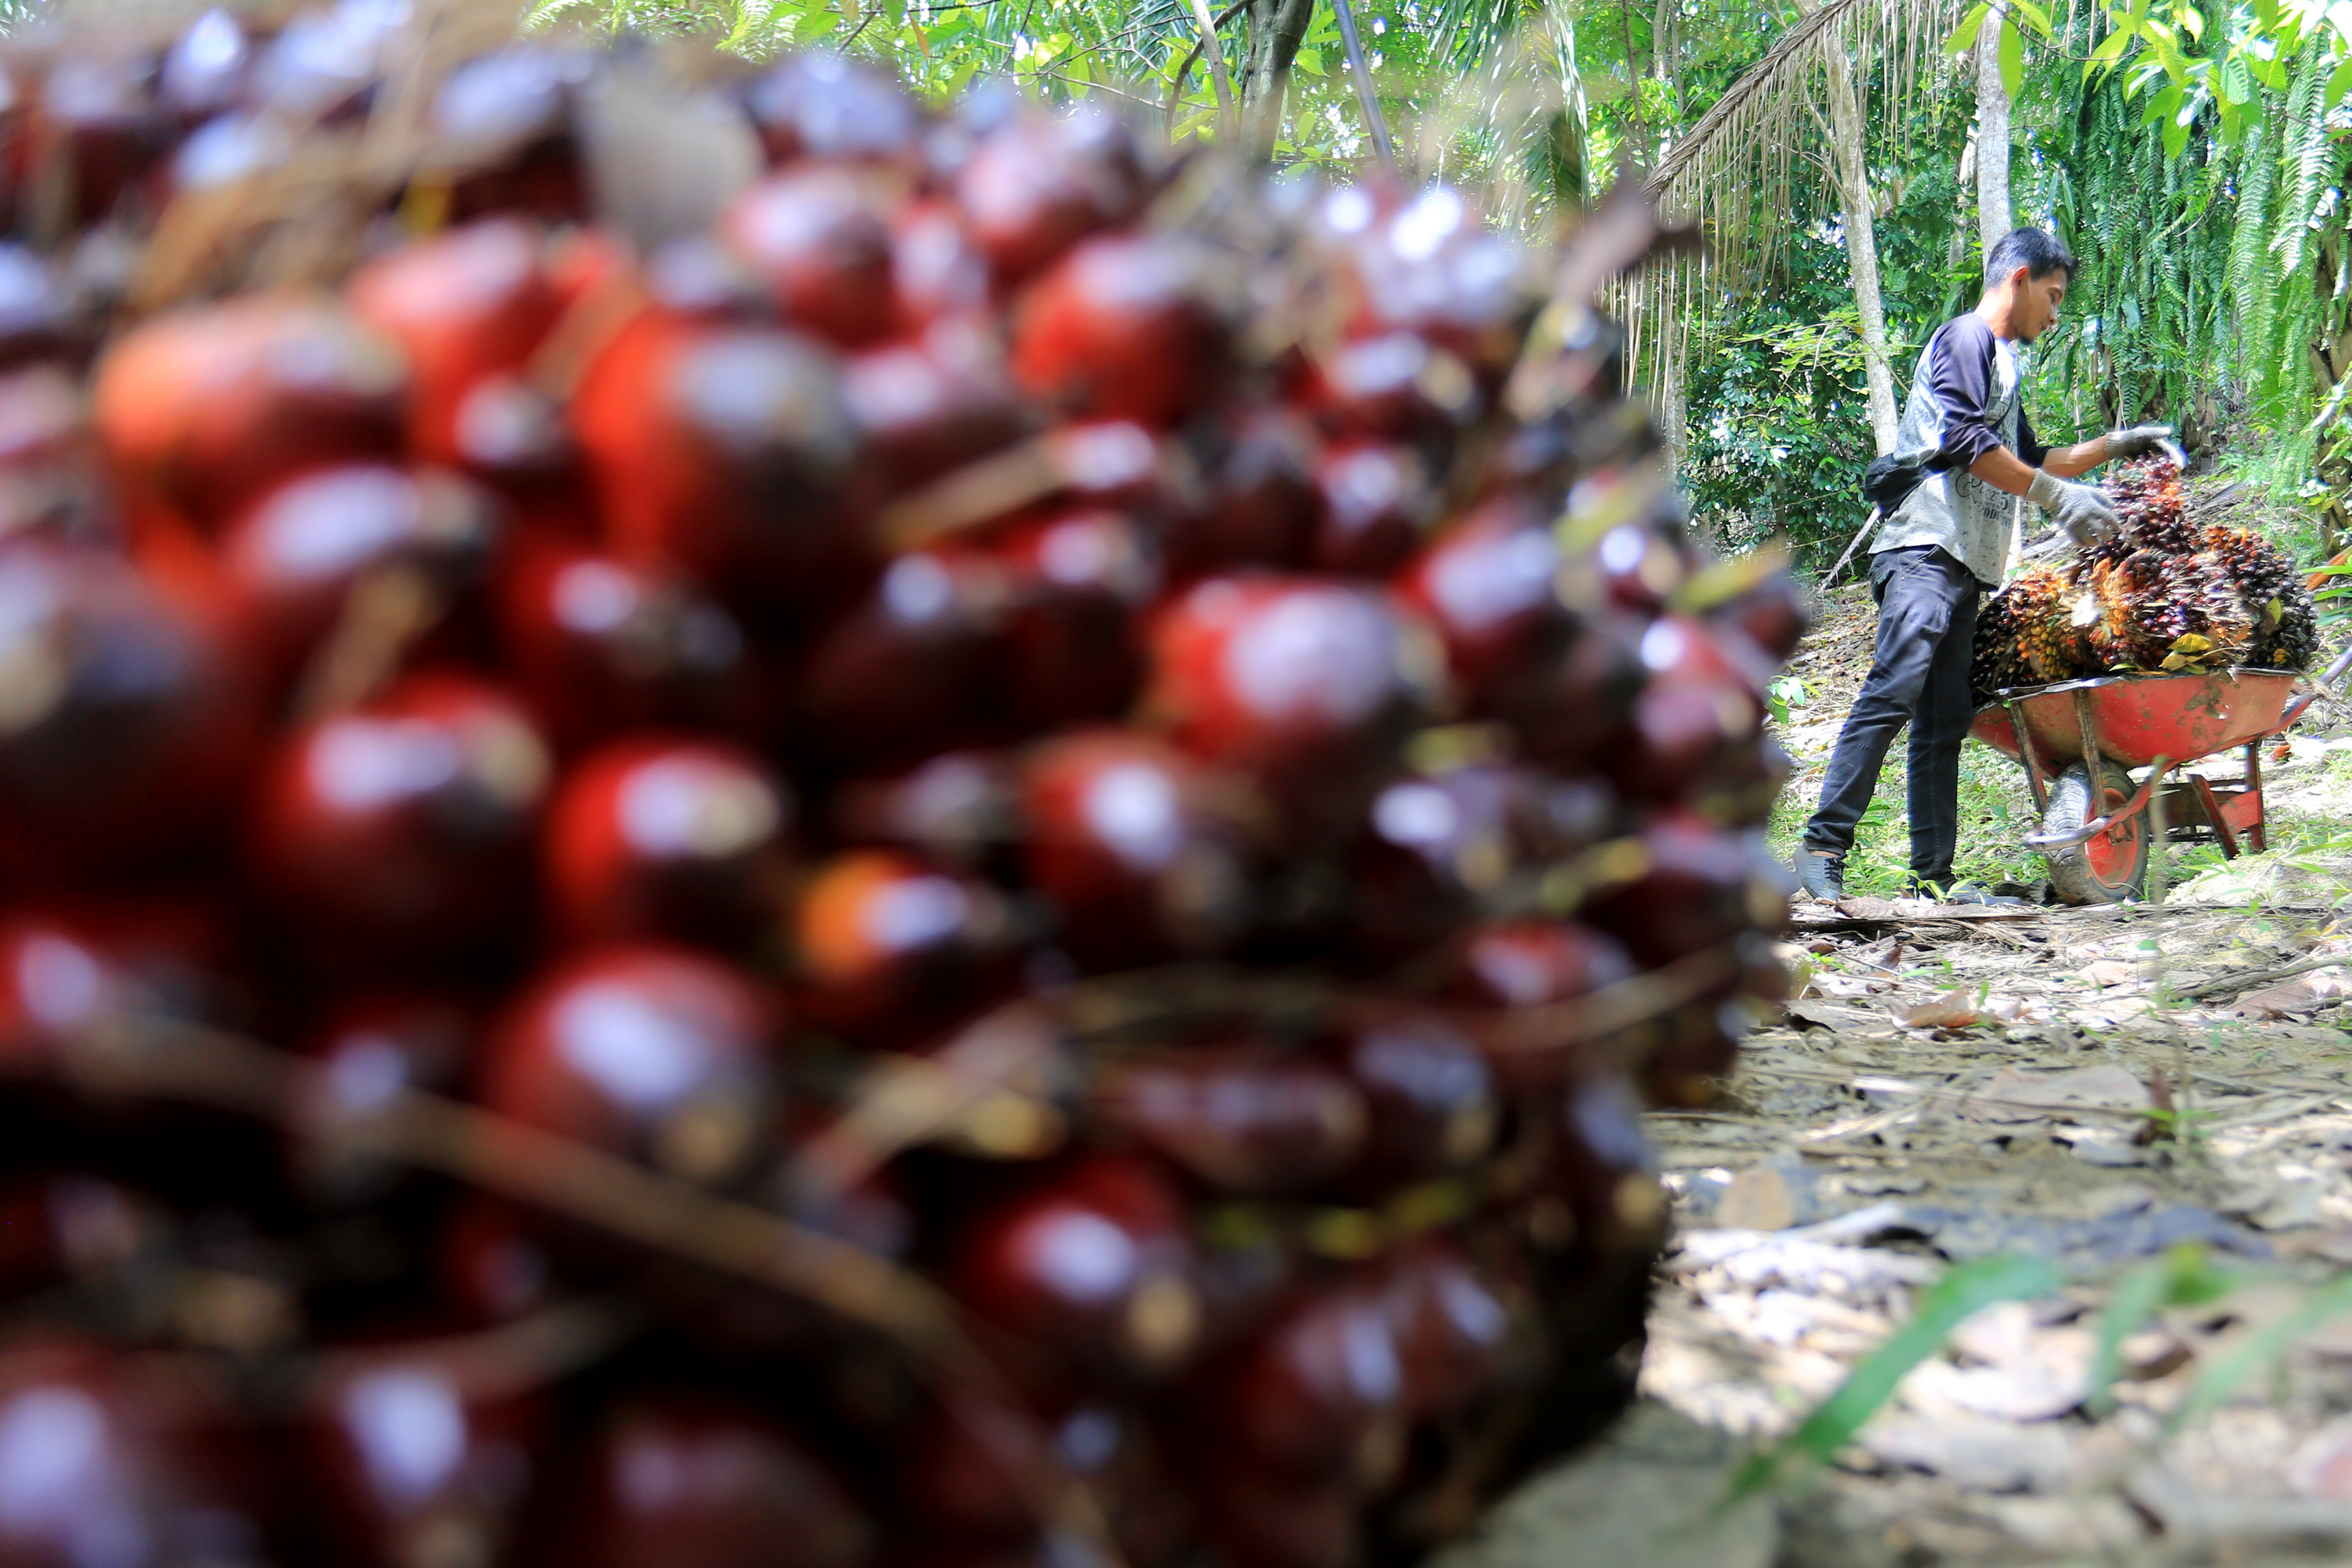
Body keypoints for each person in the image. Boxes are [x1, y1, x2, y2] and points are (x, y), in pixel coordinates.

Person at [1793, 227, 2173, 902]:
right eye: (2053, 298)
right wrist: (2055, 498)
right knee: (1896, 685)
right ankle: (1822, 847)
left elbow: (2031, 457)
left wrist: (2117, 445)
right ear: (2019, 277)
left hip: (1964, 564)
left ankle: (1930, 881)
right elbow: (1966, 442)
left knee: (1944, 720)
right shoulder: (1963, 338)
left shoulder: (2001, 366)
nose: (2054, 316)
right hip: (1921, 548)